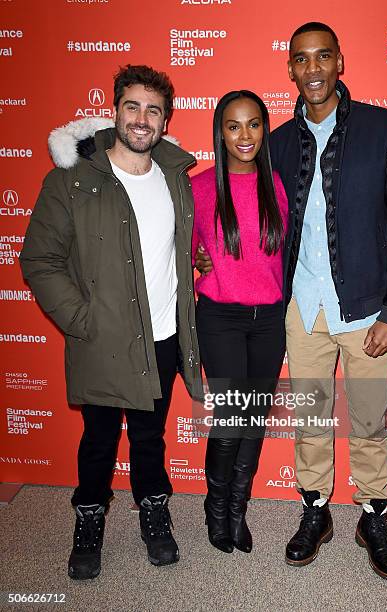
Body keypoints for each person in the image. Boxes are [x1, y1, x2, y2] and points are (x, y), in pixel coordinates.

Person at [196, 23, 387, 579]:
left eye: (323, 57)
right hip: (300, 306)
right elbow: (235, 204)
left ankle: (373, 515)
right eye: (302, 59)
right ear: (290, 69)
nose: (313, 69)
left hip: (367, 307)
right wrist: (202, 255)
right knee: (311, 419)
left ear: (340, 61)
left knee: (369, 419)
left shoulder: (384, 128)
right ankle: (315, 511)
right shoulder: (276, 142)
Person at [20, 65, 201, 579]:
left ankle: (153, 510)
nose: (142, 119)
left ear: (165, 120)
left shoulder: (175, 178)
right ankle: (90, 519)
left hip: (163, 336)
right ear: (114, 109)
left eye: (153, 110)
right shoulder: (71, 180)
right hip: (100, 339)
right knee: (99, 440)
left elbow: (180, 250)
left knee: (150, 436)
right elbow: (39, 259)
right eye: (132, 106)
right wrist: (81, 319)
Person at [192, 90, 288, 554]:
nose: (244, 135)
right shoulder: (201, 186)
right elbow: (178, 246)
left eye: (253, 124)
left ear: (264, 130)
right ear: (220, 133)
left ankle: (237, 509)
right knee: (231, 416)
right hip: (220, 317)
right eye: (233, 126)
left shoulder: (280, 183)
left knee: (253, 418)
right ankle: (216, 510)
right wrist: (194, 256)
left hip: (269, 319)